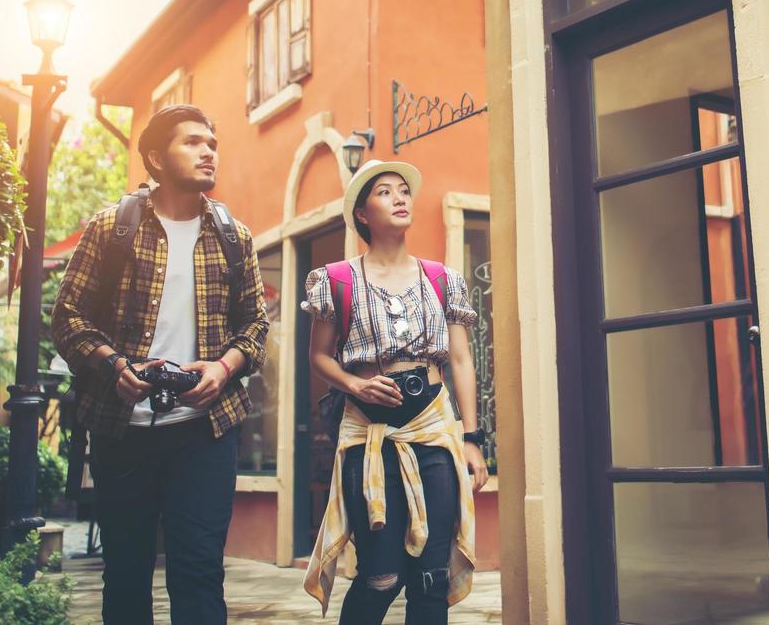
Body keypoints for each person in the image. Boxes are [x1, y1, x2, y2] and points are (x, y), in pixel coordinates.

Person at [53, 104, 269, 625]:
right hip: (122, 432)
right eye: (192, 142)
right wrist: (112, 365)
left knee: (198, 575)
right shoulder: (113, 228)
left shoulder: (233, 236)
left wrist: (223, 368)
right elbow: (67, 318)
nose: (207, 151)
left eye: (211, 143)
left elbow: (257, 326)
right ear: (155, 156)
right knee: (126, 574)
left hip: (204, 433)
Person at [301, 160, 489, 624]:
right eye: (385, 192)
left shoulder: (443, 279)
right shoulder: (335, 280)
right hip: (369, 435)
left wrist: (472, 438)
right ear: (362, 213)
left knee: (431, 576)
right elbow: (319, 357)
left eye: (403, 190)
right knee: (380, 576)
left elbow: (461, 360)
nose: (400, 198)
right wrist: (354, 383)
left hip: (433, 430)